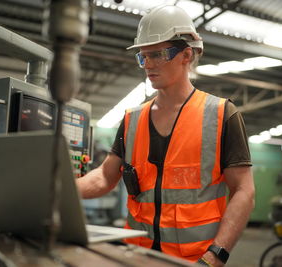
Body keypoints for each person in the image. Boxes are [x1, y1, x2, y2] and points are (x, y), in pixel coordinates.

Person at [76, 5, 255, 266]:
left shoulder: (221, 115)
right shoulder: (131, 120)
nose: (147, 64)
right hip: (137, 256)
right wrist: (58, 188)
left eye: (157, 54)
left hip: (195, 260)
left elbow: (244, 190)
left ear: (186, 55)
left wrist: (216, 255)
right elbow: (104, 176)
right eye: (142, 56)